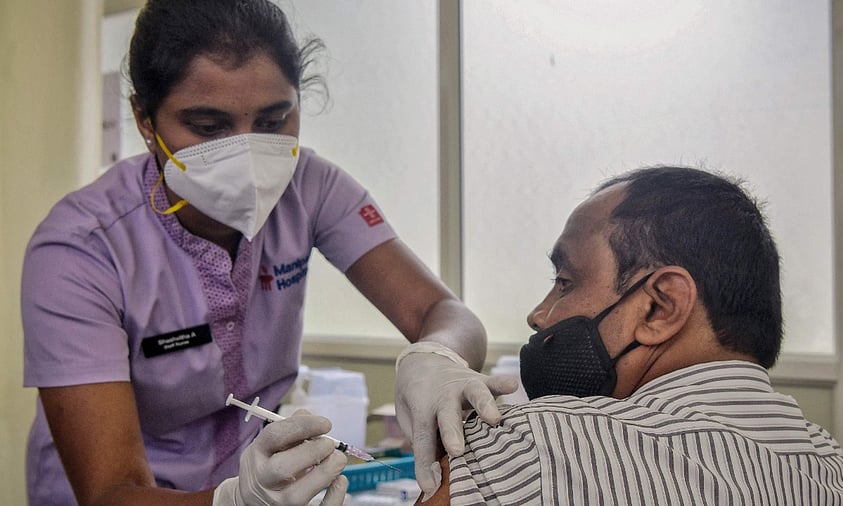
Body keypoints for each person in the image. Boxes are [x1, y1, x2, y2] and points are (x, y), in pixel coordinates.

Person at [21, 1, 514, 504]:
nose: (249, 154)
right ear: (144, 119)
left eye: (274, 120)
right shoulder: (80, 248)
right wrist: (234, 501)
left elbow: (446, 313)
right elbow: (111, 494)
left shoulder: (312, 187)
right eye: (209, 128)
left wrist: (435, 354)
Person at [422, 166, 843, 505]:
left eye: (565, 281)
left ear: (661, 306)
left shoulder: (529, 447)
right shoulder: (836, 473)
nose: (538, 315)